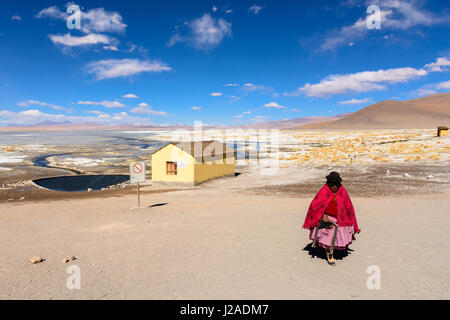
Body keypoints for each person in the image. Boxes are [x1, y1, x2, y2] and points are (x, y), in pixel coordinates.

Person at [302, 172, 360, 266]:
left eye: (336, 184)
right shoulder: (324, 191)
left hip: (340, 218)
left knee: (337, 238)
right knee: (329, 238)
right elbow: (315, 205)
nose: (334, 187)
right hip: (326, 218)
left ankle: (332, 251)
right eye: (331, 184)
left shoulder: (342, 192)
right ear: (328, 184)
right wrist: (323, 215)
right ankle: (329, 254)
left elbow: (349, 207)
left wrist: (353, 224)